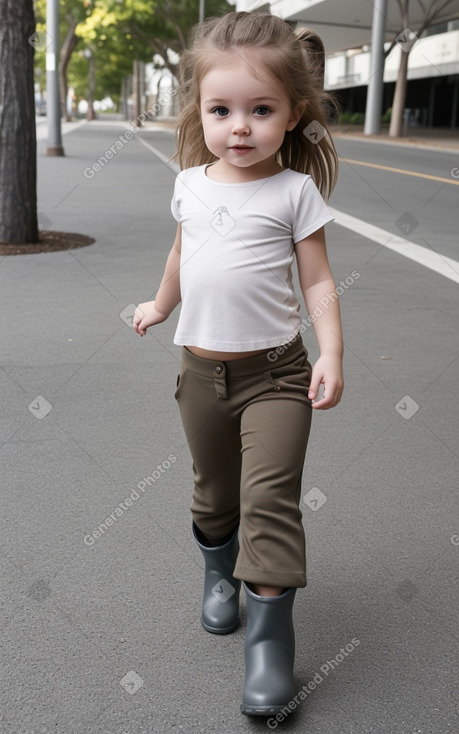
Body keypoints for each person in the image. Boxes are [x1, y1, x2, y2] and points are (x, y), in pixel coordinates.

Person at [133, 10, 344, 717]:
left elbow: (315, 281)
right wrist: (160, 304)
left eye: (261, 110)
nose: (240, 127)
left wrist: (331, 351)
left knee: (269, 503)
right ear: (201, 109)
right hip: (199, 375)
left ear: (293, 114)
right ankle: (219, 579)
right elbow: (181, 254)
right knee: (214, 498)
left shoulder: (293, 192)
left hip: (277, 374)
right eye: (222, 110)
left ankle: (269, 649)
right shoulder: (190, 184)